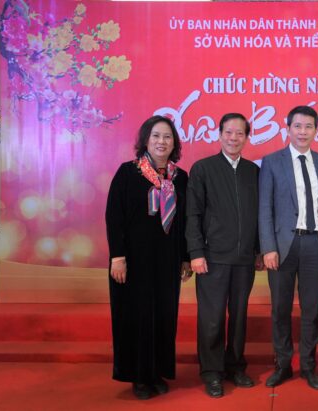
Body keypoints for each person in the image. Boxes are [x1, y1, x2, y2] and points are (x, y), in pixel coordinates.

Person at [106, 115, 191, 400]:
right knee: (138, 316)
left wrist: (185, 258)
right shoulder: (128, 173)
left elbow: (185, 222)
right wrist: (118, 256)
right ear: (145, 140)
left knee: (163, 316)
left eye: (167, 137)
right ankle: (139, 377)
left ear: (174, 143)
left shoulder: (180, 178)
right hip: (134, 261)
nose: (161, 142)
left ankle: (156, 372)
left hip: (167, 261)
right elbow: (114, 217)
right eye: (156, 136)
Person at [186, 113, 260, 398]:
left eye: (240, 133)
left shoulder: (253, 171)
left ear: (247, 137)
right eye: (229, 132)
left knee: (239, 317)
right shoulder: (203, 169)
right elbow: (193, 214)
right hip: (212, 257)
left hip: (244, 260)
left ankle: (235, 366)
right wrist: (196, 252)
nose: (233, 138)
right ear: (219, 134)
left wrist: (258, 250)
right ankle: (212, 372)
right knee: (212, 318)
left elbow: (259, 215)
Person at [258, 105, 318, 390]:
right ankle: (283, 364)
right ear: (288, 128)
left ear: (316, 130)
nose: (303, 132)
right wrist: (268, 247)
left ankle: (309, 367)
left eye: (308, 126)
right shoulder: (272, 162)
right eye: (297, 126)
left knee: (311, 311)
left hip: (315, 244)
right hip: (281, 246)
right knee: (280, 309)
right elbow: (264, 208)